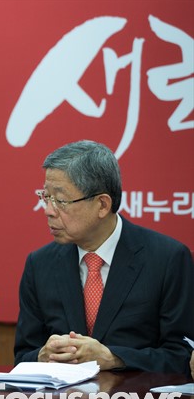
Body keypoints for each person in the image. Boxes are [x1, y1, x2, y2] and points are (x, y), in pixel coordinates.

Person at [14, 140, 194, 373]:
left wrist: (114, 358)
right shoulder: (40, 264)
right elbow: (22, 357)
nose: (48, 210)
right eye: (46, 197)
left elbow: (182, 356)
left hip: (136, 395)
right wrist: (42, 355)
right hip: (62, 397)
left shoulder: (167, 259)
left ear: (102, 205)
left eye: (61, 201)